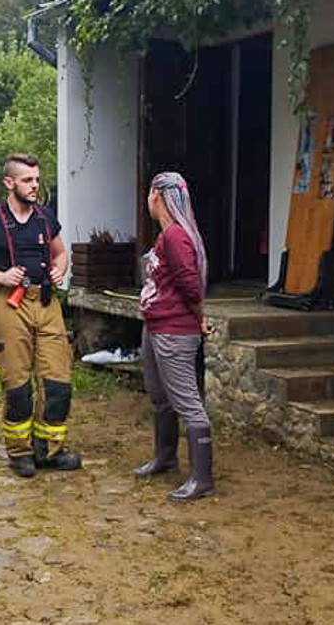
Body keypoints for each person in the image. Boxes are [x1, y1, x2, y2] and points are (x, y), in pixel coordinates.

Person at [0, 153, 82, 478]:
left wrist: (60, 270)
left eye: (37, 180)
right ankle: (20, 452)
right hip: (9, 303)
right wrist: (0, 276)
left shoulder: (45, 217)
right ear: (9, 183)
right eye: (28, 180)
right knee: (17, 385)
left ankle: (49, 449)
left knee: (58, 381)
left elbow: (61, 253)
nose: (34, 186)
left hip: (45, 301)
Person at [135, 171, 215, 502]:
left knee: (188, 402)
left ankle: (202, 478)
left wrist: (199, 317)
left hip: (174, 330)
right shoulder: (166, 235)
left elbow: (191, 285)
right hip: (155, 324)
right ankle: (165, 457)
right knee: (159, 394)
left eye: (148, 195)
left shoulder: (176, 237)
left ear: (157, 195)